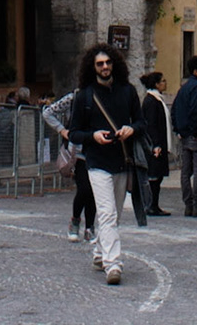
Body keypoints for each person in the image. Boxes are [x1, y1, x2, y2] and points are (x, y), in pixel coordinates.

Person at [68, 44, 145, 286]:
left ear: (114, 64)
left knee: (114, 215)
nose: (104, 67)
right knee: (107, 213)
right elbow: (73, 133)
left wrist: (131, 129)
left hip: (122, 161)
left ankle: (100, 254)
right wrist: (93, 136)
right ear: (93, 67)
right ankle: (114, 264)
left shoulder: (128, 91)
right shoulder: (84, 96)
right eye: (100, 64)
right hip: (97, 163)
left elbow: (142, 123)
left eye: (108, 63)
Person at [43, 86, 96, 243]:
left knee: (93, 190)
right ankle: (75, 221)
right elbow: (47, 112)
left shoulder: (105, 95)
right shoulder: (75, 96)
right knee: (84, 188)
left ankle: (90, 228)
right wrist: (62, 130)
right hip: (77, 151)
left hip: (97, 148)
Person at [170, 54, 197, 218]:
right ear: (196, 71)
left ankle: (188, 205)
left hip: (185, 135)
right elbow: (195, 111)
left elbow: (174, 110)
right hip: (196, 137)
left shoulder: (184, 88)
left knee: (185, 172)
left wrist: (179, 130)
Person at [138, 72, 172, 217]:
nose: (165, 83)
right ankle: (152, 204)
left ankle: (154, 204)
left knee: (157, 176)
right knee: (154, 176)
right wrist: (155, 144)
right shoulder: (151, 101)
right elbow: (151, 125)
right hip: (155, 145)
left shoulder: (156, 100)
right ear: (156, 84)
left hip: (159, 143)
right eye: (163, 81)